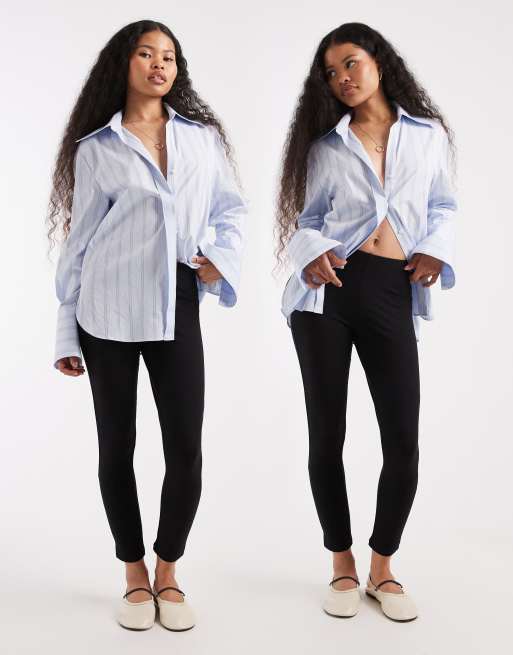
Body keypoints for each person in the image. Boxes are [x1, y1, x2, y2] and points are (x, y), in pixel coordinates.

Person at [47, 20, 246, 631]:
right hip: (106, 309)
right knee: (119, 446)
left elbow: (230, 210)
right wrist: (65, 331)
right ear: (123, 63)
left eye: (169, 57)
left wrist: (220, 258)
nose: (160, 64)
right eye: (146, 53)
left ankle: (168, 570)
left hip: (177, 301)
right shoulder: (97, 148)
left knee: (186, 446)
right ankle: (134, 573)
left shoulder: (201, 140)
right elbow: (79, 243)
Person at [275, 22, 457, 622]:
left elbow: (442, 206)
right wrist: (311, 253)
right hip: (328, 296)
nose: (343, 79)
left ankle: (382, 566)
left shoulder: (427, 136)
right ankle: (342, 564)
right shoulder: (325, 147)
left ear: (379, 62)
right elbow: (307, 221)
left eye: (350, 63)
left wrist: (435, 248)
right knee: (327, 436)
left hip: (391, 290)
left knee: (402, 440)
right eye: (331, 73)